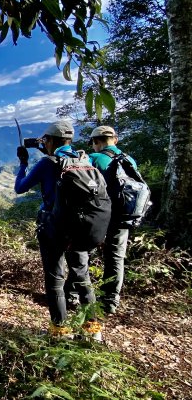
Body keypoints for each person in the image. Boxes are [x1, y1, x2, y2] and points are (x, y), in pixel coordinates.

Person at [15, 120, 101, 339]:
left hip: (54, 227)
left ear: (50, 140)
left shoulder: (47, 163)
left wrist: (23, 163)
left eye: (46, 140)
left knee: (55, 277)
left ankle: (60, 330)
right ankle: (92, 330)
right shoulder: (86, 160)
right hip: (81, 227)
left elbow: (20, 187)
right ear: (69, 140)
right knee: (82, 277)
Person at [88, 125, 137, 315]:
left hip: (100, 215)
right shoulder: (129, 159)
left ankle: (79, 293)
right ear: (115, 140)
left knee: (84, 252)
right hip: (124, 215)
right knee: (116, 257)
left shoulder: (94, 159)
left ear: (96, 142)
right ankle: (109, 302)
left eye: (93, 143)